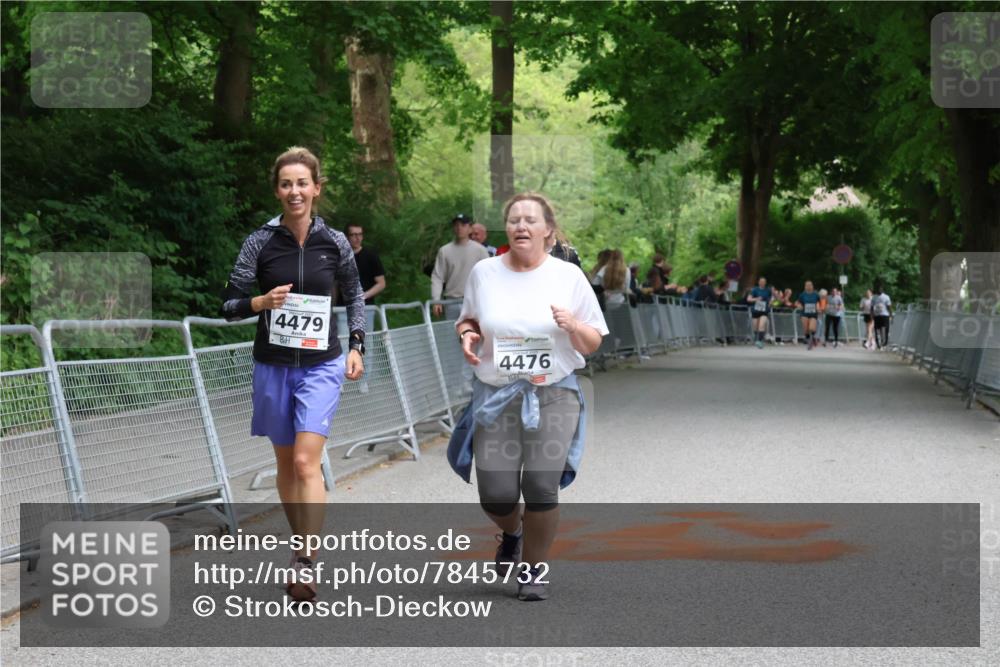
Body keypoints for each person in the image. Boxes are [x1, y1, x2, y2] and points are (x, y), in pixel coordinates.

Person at [221, 146, 366, 602]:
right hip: (273, 365)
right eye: (286, 184)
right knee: (285, 463)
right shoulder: (259, 241)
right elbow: (228, 304)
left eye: (303, 183)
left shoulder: (335, 242)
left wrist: (358, 344)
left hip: (322, 364)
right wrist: (259, 303)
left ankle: (305, 558)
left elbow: (356, 295)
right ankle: (300, 542)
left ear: (316, 188)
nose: (294, 191)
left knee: (306, 460)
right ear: (277, 191)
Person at [448, 192, 607, 602]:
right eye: (514, 219)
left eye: (530, 220)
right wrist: (468, 335)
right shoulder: (484, 272)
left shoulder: (568, 277)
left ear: (547, 230)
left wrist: (573, 325)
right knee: (496, 493)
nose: (521, 226)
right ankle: (512, 532)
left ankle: (534, 571)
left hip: (553, 392)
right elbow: (468, 319)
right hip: (497, 393)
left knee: (541, 485)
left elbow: (591, 343)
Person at [431, 213, 490, 320]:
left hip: (474, 300)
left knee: (475, 334)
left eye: (463, 225)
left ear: (470, 228)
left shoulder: (480, 250)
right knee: (453, 334)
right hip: (451, 301)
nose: (459, 228)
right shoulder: (445, 251)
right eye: (456, 225)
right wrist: (436, 300)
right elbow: (438, 276)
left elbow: (489, 275)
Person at [336, 222, 385, 333]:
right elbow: (335, 283)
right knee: (344, 342)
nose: (357, 238)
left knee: (367, 344)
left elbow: (381, 283)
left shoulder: (371, 256)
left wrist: (364, 296)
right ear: (347, 237)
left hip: (366, 308)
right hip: (343, 308)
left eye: (360, 234)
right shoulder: (340, 256)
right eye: (353, 235)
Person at [795, 280, 821, 349]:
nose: (809, 287)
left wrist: (818, 308)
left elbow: (818, 303)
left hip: (813, 314)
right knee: (806, 329)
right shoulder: (802, 295)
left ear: (812, 286)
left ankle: (811, 340)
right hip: (804, 313)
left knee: (812, 328)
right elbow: (797, 302)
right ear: (805, 287)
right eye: (807, 285)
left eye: (810, 285)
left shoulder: (816, 294)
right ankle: (809, 338)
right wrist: (798, 305)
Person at [749, 276, 772, 349]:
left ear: (765, 283)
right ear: (759, 282)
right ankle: (756, 337)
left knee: (761, 326)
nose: (762, 283)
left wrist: (771, 302)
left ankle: (759, 341)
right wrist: (756, 299)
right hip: (755, 311)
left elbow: (772, 298)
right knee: (755, 327)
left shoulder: (768, 290)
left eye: (764, 282)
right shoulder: (754, 290)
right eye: (761, 281)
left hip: (764, 311)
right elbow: (749, 299)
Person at [871, 281, 892, 350]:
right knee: (877, 329)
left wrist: (890, 315)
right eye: (878, 289)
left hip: (885, 315)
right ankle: (878, 343)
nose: (879, 290)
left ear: (882, 290)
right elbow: (872, 307)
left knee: (886, 328)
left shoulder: (886, 297)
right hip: (877, 315)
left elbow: (889, 306)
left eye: (881, 289)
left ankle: (885, 342)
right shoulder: (874, 297)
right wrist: (872, 315)